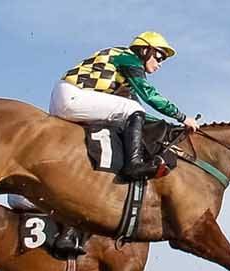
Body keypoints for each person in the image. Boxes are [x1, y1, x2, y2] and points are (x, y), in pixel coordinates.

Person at [50, 31, 200, 181]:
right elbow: (149, 95)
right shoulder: (129, 58)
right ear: (145, 50)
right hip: (72, 96)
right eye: (160, 57)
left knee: (130, 115)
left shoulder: (125, 71)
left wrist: (167, 126)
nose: (159, 64)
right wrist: (182, 117)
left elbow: (138, 114)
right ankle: (133, 165)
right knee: (132, 110)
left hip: (69, 98)